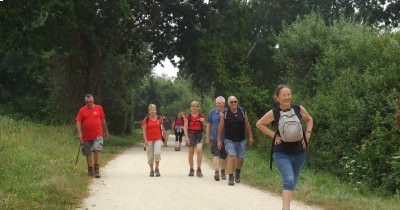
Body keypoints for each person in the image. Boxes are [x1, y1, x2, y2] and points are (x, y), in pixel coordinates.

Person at [256, 84, 313, 210]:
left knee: (292, 183)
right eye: (284, 95)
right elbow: (259, 124)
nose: (287, 97)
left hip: (299, 153)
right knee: (288, 180)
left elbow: (309, 120)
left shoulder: (298, 109)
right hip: (282, 153)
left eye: (289, 94)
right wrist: (273, 135)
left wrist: (307, 136)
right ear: (277, 98)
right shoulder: (274, 113)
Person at [217, 96, 253, 186]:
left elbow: (247, 124)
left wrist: (250, 136)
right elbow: (220, 127)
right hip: (229, 139)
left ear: (237, 102)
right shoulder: (225, 113)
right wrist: (218, 140)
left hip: (241, 140)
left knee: (240, 158)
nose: (233, 103)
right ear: (228, 104)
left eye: (235, 101)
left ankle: (237, 172)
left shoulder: (242, 111)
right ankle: (231, 177)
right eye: (231, 102)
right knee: (232, 156)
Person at [76, 94, 109, 178]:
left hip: (97, 134)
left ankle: (97, 170)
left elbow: (103, 120)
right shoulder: (82, 110)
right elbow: (78, 122)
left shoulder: (99, 108)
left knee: (96, 150)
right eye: (87, 102)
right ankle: (90, 170)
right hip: (86, 136)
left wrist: (106, 131)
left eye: (90, 102)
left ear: (93, 101)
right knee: (87, 153)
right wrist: (80, 134)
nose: (89, 103)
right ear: (85, 102)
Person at [206, 96, 227, 181]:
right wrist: (207, 137)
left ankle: (223, 171)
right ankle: (216, 172)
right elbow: (209, 125)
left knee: (224, 156)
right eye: (217, 103)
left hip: (226, 138)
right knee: (216, 154)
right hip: (214, 137)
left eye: (220, 103)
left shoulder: (228, 112)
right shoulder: (212, 112)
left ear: (224, 104)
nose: (218, 105)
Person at [184, 101, 207, 177]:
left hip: (199, 134)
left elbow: (205, 126)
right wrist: (186, 137)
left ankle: (199, 169)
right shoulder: (188, 116)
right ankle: (191, 169)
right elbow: (185, 127)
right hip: (191, 134)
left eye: (196, 106)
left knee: (199, 150)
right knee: (191, 151)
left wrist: (203, 121)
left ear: (198, 107)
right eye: (193, 106)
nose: (194, 108)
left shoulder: (201, 115)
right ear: (190, 107)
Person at [142, 104, 166, 177]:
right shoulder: (146, 120)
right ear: (149, 111)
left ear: (156, 110)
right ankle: (151, 170)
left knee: (157, 153)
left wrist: (165, 136)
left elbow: (162, 128)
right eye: (151, 110)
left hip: (158, 138)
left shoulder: (159, 118)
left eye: (154, 110)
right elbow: (144, 130)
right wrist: (145, 140)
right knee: (150, 155)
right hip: (149, 140)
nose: (153, 112)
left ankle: (157, 168)